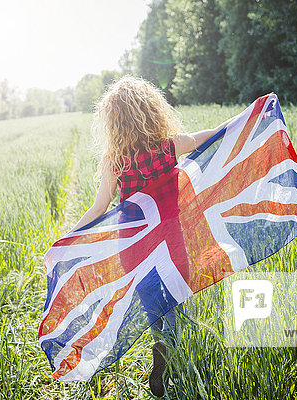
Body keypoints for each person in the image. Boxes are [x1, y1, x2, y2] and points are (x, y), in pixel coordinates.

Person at [68, 75, 235, 397]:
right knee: (175, 297)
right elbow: (212, 135)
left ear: (113, 122)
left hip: (134, 246)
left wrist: (69, 236)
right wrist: (250, 113)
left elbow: (100, 206)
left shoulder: (115, 160)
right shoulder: (170, 145)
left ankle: (162, 343)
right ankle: (175, 353)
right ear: (151, 110)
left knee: (153, 303)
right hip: (174, 239)